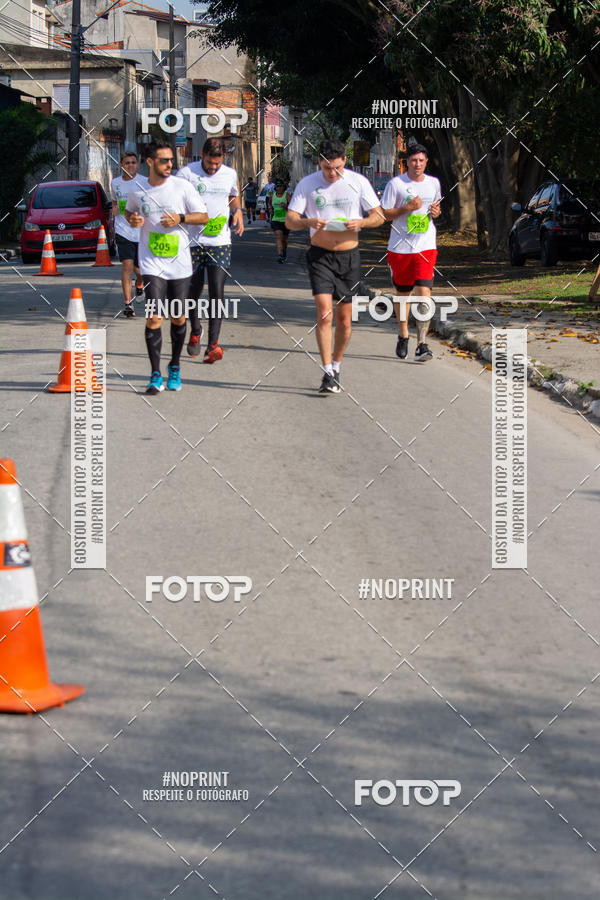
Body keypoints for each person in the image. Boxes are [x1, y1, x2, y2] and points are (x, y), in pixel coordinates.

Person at [286, 139, 383, 393]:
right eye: (328, 168)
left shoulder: (357, 182)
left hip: (349, 257)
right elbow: (290, 220)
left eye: (338, 168)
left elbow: (379, 216)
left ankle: (337, 365)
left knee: (345, 320)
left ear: (344, 162)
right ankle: (327, 371)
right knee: (324, 313)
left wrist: (361, 223)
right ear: (319, 162)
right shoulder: (307, 184)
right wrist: (308, 222)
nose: (333, 173)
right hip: (320, 256)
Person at [124, 140, 208, 395]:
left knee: (178, 317)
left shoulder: (182, 187)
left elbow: (203, 216)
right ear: (150, 162)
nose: (170, 164)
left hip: (179, 264)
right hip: (151, 263)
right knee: (154, 317)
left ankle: (174, 366)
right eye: (164, 160)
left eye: (171, 160)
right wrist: (133, 219)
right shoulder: (137, 189)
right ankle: (154, 374)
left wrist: (180, 218)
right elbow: (129, 211)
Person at [176, 137, 244, 363]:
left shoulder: (229, 174)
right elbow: (175, 199)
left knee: (217, 291)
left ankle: (213, 344)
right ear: (202, 155)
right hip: (192, 241)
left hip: (220, 241)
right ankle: (196, 329)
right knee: (193, 291)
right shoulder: (187, 174)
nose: (213, 168)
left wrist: (237, 210)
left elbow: (233, 195)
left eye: (217, 163)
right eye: (209, 163)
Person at [381, 142, 441, 362]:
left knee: (424, 292)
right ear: (407, 162)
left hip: (426, 245)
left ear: (426, 162)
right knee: (403, 295)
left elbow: (436, 209)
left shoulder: (433, 183)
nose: (417, 164)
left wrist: (436, 211)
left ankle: (422, 344)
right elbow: (384, 214)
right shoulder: (396, 184)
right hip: (400, 248)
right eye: (413, 160)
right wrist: (407, 208)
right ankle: (403, 334)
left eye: (421, 160)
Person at [111, 152, 146, 317]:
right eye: (127, 163)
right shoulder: (115, 182)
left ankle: (139, 285)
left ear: (137, 165)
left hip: (141, 231)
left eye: (133, 162)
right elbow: (115, 201)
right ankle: (128, 304)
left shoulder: (144, 182)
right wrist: (114, 208)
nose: (130, 165)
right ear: (121, 165)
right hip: (122, 230)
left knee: (140, 271)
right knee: (127, 266)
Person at [269, 180, 292, 262]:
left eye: (281, 186)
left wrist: (286, 207)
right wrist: (270, 209)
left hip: (286, 221)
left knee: (285, 240)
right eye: (278, 186)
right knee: (279, 236)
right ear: (275, 188)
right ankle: (280, 255)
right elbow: (269, 203)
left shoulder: (287, 195)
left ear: (284, 187)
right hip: (275, 220)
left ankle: (284, 253)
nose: (279, 188)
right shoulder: (272, 195)